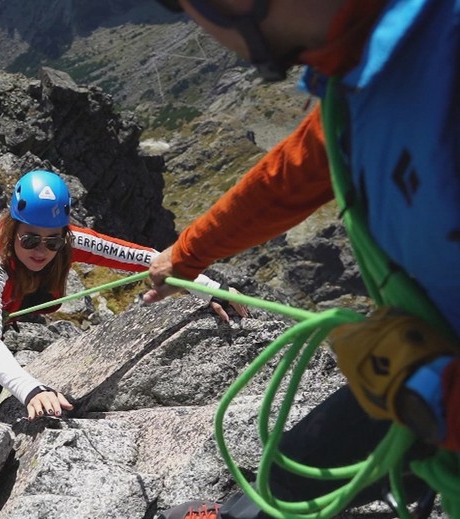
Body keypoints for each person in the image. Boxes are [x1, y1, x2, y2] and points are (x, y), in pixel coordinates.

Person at [143, 1, 460, 518]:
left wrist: (432, 393)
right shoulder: (364, 74)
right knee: (291, 471)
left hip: (428, 382)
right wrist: (186, 254)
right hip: (420, 364)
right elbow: (288, 178)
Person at [0, 169, 248, 420]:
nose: (41, 250)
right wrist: (31, 390)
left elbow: (144, 258)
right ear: (13, 229)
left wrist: (208, 288)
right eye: (29, 240)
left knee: (45, 297)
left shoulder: (68, 242)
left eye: (53, 241)